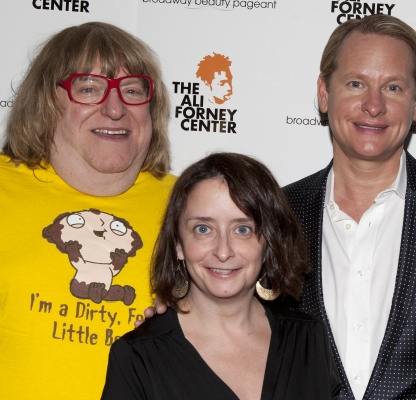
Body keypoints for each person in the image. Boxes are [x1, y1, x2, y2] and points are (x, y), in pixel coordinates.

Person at [0, 22, 176, 399]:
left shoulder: (192, 209)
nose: (115, 108)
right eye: (89, 89)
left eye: (133, 91)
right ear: (46, 101)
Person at [282, 14, 416, 400]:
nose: (374, 105)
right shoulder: (276, 214)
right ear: (323, 92)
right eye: (355, 83)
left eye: (393, 87)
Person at [102, 153, 341, 400]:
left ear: (269, 242)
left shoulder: (308, 339)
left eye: (242, 229)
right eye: (203, 229)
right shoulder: (138, 356)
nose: (223, 251)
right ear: (178, 244)